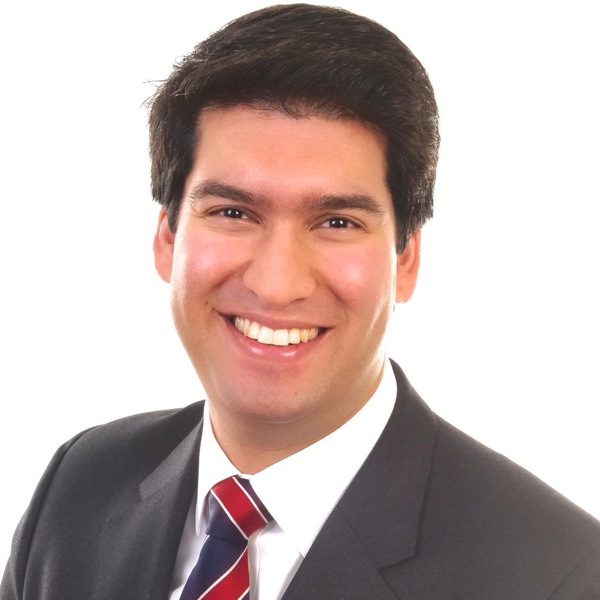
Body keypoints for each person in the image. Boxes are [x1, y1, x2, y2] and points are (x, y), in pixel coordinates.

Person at [1, 4, 599, 599]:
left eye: (337, 222)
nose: (276, 283)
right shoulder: (79, 485)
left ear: (405, 258)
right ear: (168, 238)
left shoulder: (559, 574)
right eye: (233, 212)